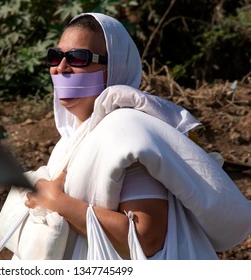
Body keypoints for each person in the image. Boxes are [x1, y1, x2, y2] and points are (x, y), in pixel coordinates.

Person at [21, 12, 251, 260]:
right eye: (55, 57)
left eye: (78, 58)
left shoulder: (126, 130)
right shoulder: (69, 142)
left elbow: (146, 239)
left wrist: (57, 202)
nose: (61, 67)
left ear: (116, 67)